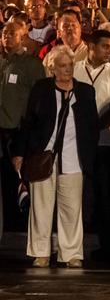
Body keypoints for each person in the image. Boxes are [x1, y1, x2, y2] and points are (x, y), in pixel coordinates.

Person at [12, 45, 100, 268]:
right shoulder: (41, 89)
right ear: (52, 68)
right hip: (42, 157)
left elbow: (91, 127)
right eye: (62, 66)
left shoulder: (86, 92)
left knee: (71, 207)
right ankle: (41, 252)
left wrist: (87, 154)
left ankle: (71, 253)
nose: (68, 69)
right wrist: (20, 153)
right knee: (41, 206)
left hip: (73, 158)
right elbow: (28, 122)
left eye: (70, 65)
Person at [72, 29, 110, 263]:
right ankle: (73, 247)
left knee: (106, 196)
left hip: (105, 142)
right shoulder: (73, 70)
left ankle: (109, 247)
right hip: (75, 142)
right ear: (91, 47)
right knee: (78, 196)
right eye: (105, 46)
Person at [0, 22, 45, 242]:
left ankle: (30, 236)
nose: (7, 36)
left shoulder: (31, 65)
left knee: (22, 184)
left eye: (12, 33)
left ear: (22, 36)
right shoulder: (2, 62)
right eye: (4, 33)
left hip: (20, 132)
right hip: (2, 132)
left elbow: (39, 99)